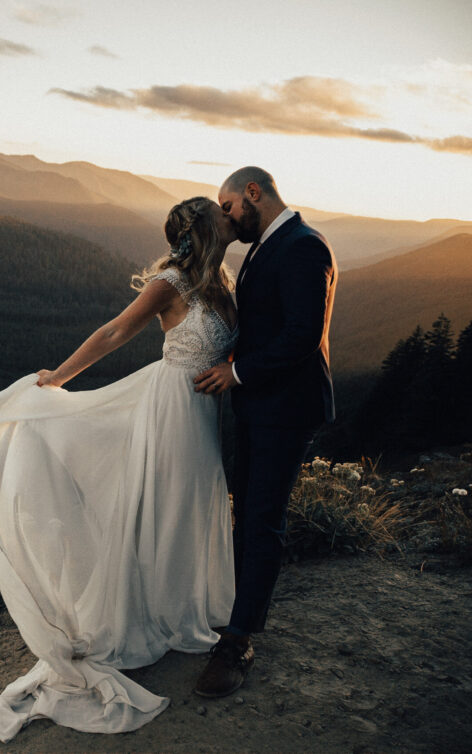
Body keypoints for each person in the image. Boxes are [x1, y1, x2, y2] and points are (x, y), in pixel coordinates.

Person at [0, 197, 240, 742]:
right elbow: (113, 332)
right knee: (166, 504)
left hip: (203, 408)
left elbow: (235, 342)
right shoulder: (173, 282)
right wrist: (59, 377)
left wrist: (231, 364)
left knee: (192, 503)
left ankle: (180, 605)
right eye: (222, 213)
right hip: (171, 405)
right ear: (205, 227)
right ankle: (148, 614)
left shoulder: (222, 282)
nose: (232, 217)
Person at [193, 167, 337, 698]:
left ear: (253, 193)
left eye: (228, 206)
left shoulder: (303, 246)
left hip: (285, 408)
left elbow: (304, 334)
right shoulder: (265, 245)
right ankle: (235, 613)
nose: (226, 218)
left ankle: (238, 642)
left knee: (263, 518)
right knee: (246, 511)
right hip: (257, 405)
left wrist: (237, 372)